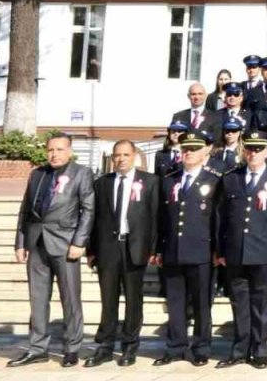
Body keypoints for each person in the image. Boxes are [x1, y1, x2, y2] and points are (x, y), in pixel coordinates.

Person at [9, 134, 96, 368]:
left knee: (70, 299)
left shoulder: (81, 173)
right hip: (37, 244)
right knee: (37, 299)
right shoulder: (37, 174)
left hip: (65, 245)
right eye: (50, 150)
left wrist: (80, 242)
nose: (54, 154)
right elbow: (25, 210)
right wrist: (20, 243)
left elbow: (88, 210)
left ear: (69, 151)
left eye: (59, 149)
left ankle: (71, 348)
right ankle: (37, 348)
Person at [214, 131, 267, 369]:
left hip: (265, 252)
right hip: (236, 251)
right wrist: (220, 249)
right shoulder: (230, 178)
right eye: (249, 149)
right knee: (239, 302)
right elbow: (221, 217)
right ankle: (239, 349)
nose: (253, 153)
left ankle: (259, 349)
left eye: (258, 149)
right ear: (243, 150)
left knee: (261, 304)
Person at [85, 141, 160, 368]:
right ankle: (105, 346)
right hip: (108, 249)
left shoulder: (150, 182)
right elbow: (93, 219)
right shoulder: (102, 183)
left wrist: (154, 249)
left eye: (126, 155)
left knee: (133, 299)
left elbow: (155, 217)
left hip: (135, 248)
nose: (121, 159)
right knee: (108, 299)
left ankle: (129, 346)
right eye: (117, 155)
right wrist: (91, 250)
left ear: (135, 156)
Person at [155, 130, 223, 367]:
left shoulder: (215, 178)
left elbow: (218, 218)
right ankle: (175, 346)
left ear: (205, 151)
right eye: (185, 149)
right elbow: (162, 218)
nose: (189, 153)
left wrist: (218, 250)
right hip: (174, 249)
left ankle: (201, 347)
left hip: (202, 251)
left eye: (194, 149)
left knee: (202, 303)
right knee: (175, 302)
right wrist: (159, 248)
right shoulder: (170, 178)